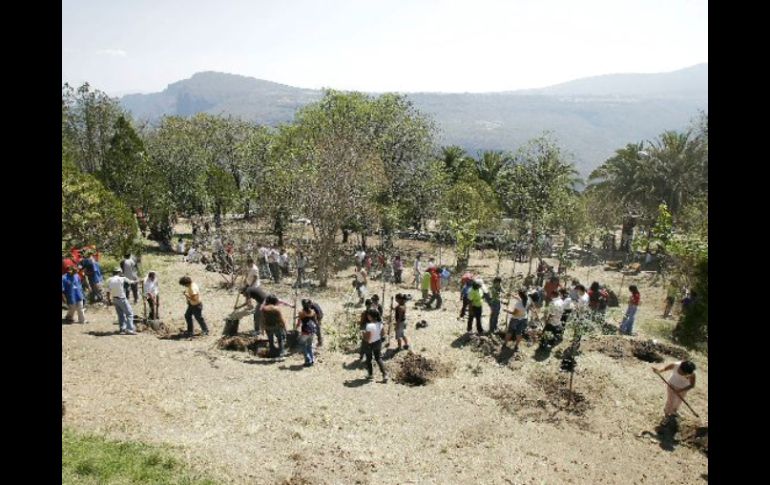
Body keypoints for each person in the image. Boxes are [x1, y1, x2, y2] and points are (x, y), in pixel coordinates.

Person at [106, 269, 138, 334]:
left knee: (120, 315)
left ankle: (122, 329)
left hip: (115, 299)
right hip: (122, 298)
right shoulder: (121, 278)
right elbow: (131, 282)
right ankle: (129, 329)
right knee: (129, 313)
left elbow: (108, 291)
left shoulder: (109, 280)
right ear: (119, 272)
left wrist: (109, 300)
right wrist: (138, 281)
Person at [362, 308, 388, 382]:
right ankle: (384, 375)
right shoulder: (380, 324)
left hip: (370, 344)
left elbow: (368, 338)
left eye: (368, 315)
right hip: (378, 342)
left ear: (371, 316)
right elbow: (383, 334)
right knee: (378, 358)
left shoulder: (369, 326)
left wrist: (363, 334)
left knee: (369, 359)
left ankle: (370, 374)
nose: (367, 316)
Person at [296, 299, 318, 366]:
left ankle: (307, 359)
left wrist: (296, 328)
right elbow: (316, 321)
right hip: (312, 331)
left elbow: (299, 323)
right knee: (310, 346)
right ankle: (312, 360)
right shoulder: (313, 312)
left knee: (302, 344)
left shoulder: (301, 313)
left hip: (305, 331)